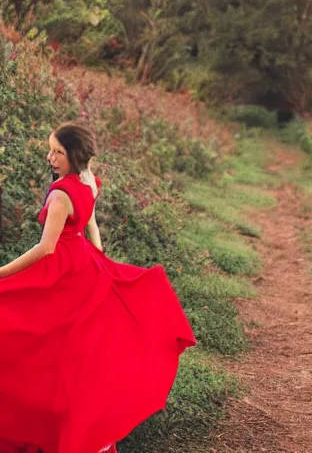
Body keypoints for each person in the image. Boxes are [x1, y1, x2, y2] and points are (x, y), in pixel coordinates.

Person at [0, 122, 196, 453]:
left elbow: (46, 247)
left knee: (26, 335)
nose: (50, 157)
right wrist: (98, 254)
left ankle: (48, 424)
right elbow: (91, 222)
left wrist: (2, 272)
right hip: (81, 263)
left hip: (59, 269)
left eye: (57, 152)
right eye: (50, 149)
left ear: (74, 155)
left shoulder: (61, 193)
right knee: (69, 349)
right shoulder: (88, 181)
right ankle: (72, 426)